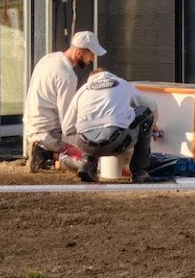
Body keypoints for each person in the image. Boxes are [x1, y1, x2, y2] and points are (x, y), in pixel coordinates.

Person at [23, 29, 105, 175]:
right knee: (96, 163)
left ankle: (43, 154)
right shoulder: (67, 76)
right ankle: (48, 155)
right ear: (79, 52)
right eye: (90, 54)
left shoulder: (48, 58)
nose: (91, 60)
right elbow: (67, 122)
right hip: (49, 134)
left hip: (31, 128)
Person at [66, 67, 157, 183]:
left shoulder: (83, 90)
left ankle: (88, 165)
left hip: (85, 144)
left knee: (86, 128)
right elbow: (152, 106)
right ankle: (139, 172)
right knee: (146, 113)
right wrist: (152, 124)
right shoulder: (122, 84)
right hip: (117, 142)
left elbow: (67, 129)